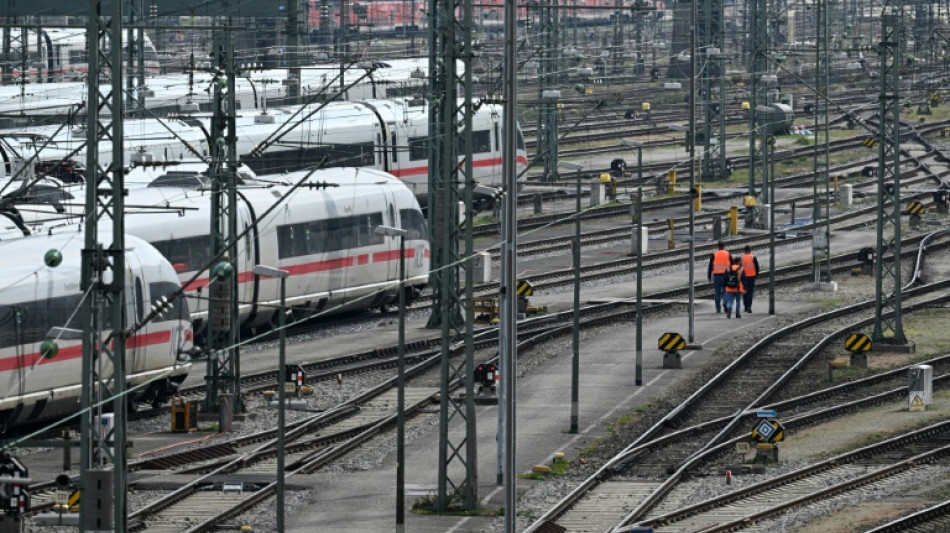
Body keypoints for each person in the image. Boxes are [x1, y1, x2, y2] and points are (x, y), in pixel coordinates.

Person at [707, 241, 732, 313]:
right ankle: (725, 302)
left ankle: (718, 309)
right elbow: (732, 265)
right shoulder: (728, 254)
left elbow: (710, 266)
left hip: (716, 276)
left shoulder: (714, 254)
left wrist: (709, 276)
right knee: (726, 291)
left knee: (717, 292)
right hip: (726, 275)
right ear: (724, 246)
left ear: (718, 247)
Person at [740, 245, 760, 314]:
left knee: (744, 291)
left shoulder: (742, 258)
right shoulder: (753, 257)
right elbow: (757, 267)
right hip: (751, 276)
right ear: (750, 250)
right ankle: (749, 306)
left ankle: (745, 307)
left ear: (744, 250)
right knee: (750, 292)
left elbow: (739, 267)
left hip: (743, 277)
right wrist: (756, 275)